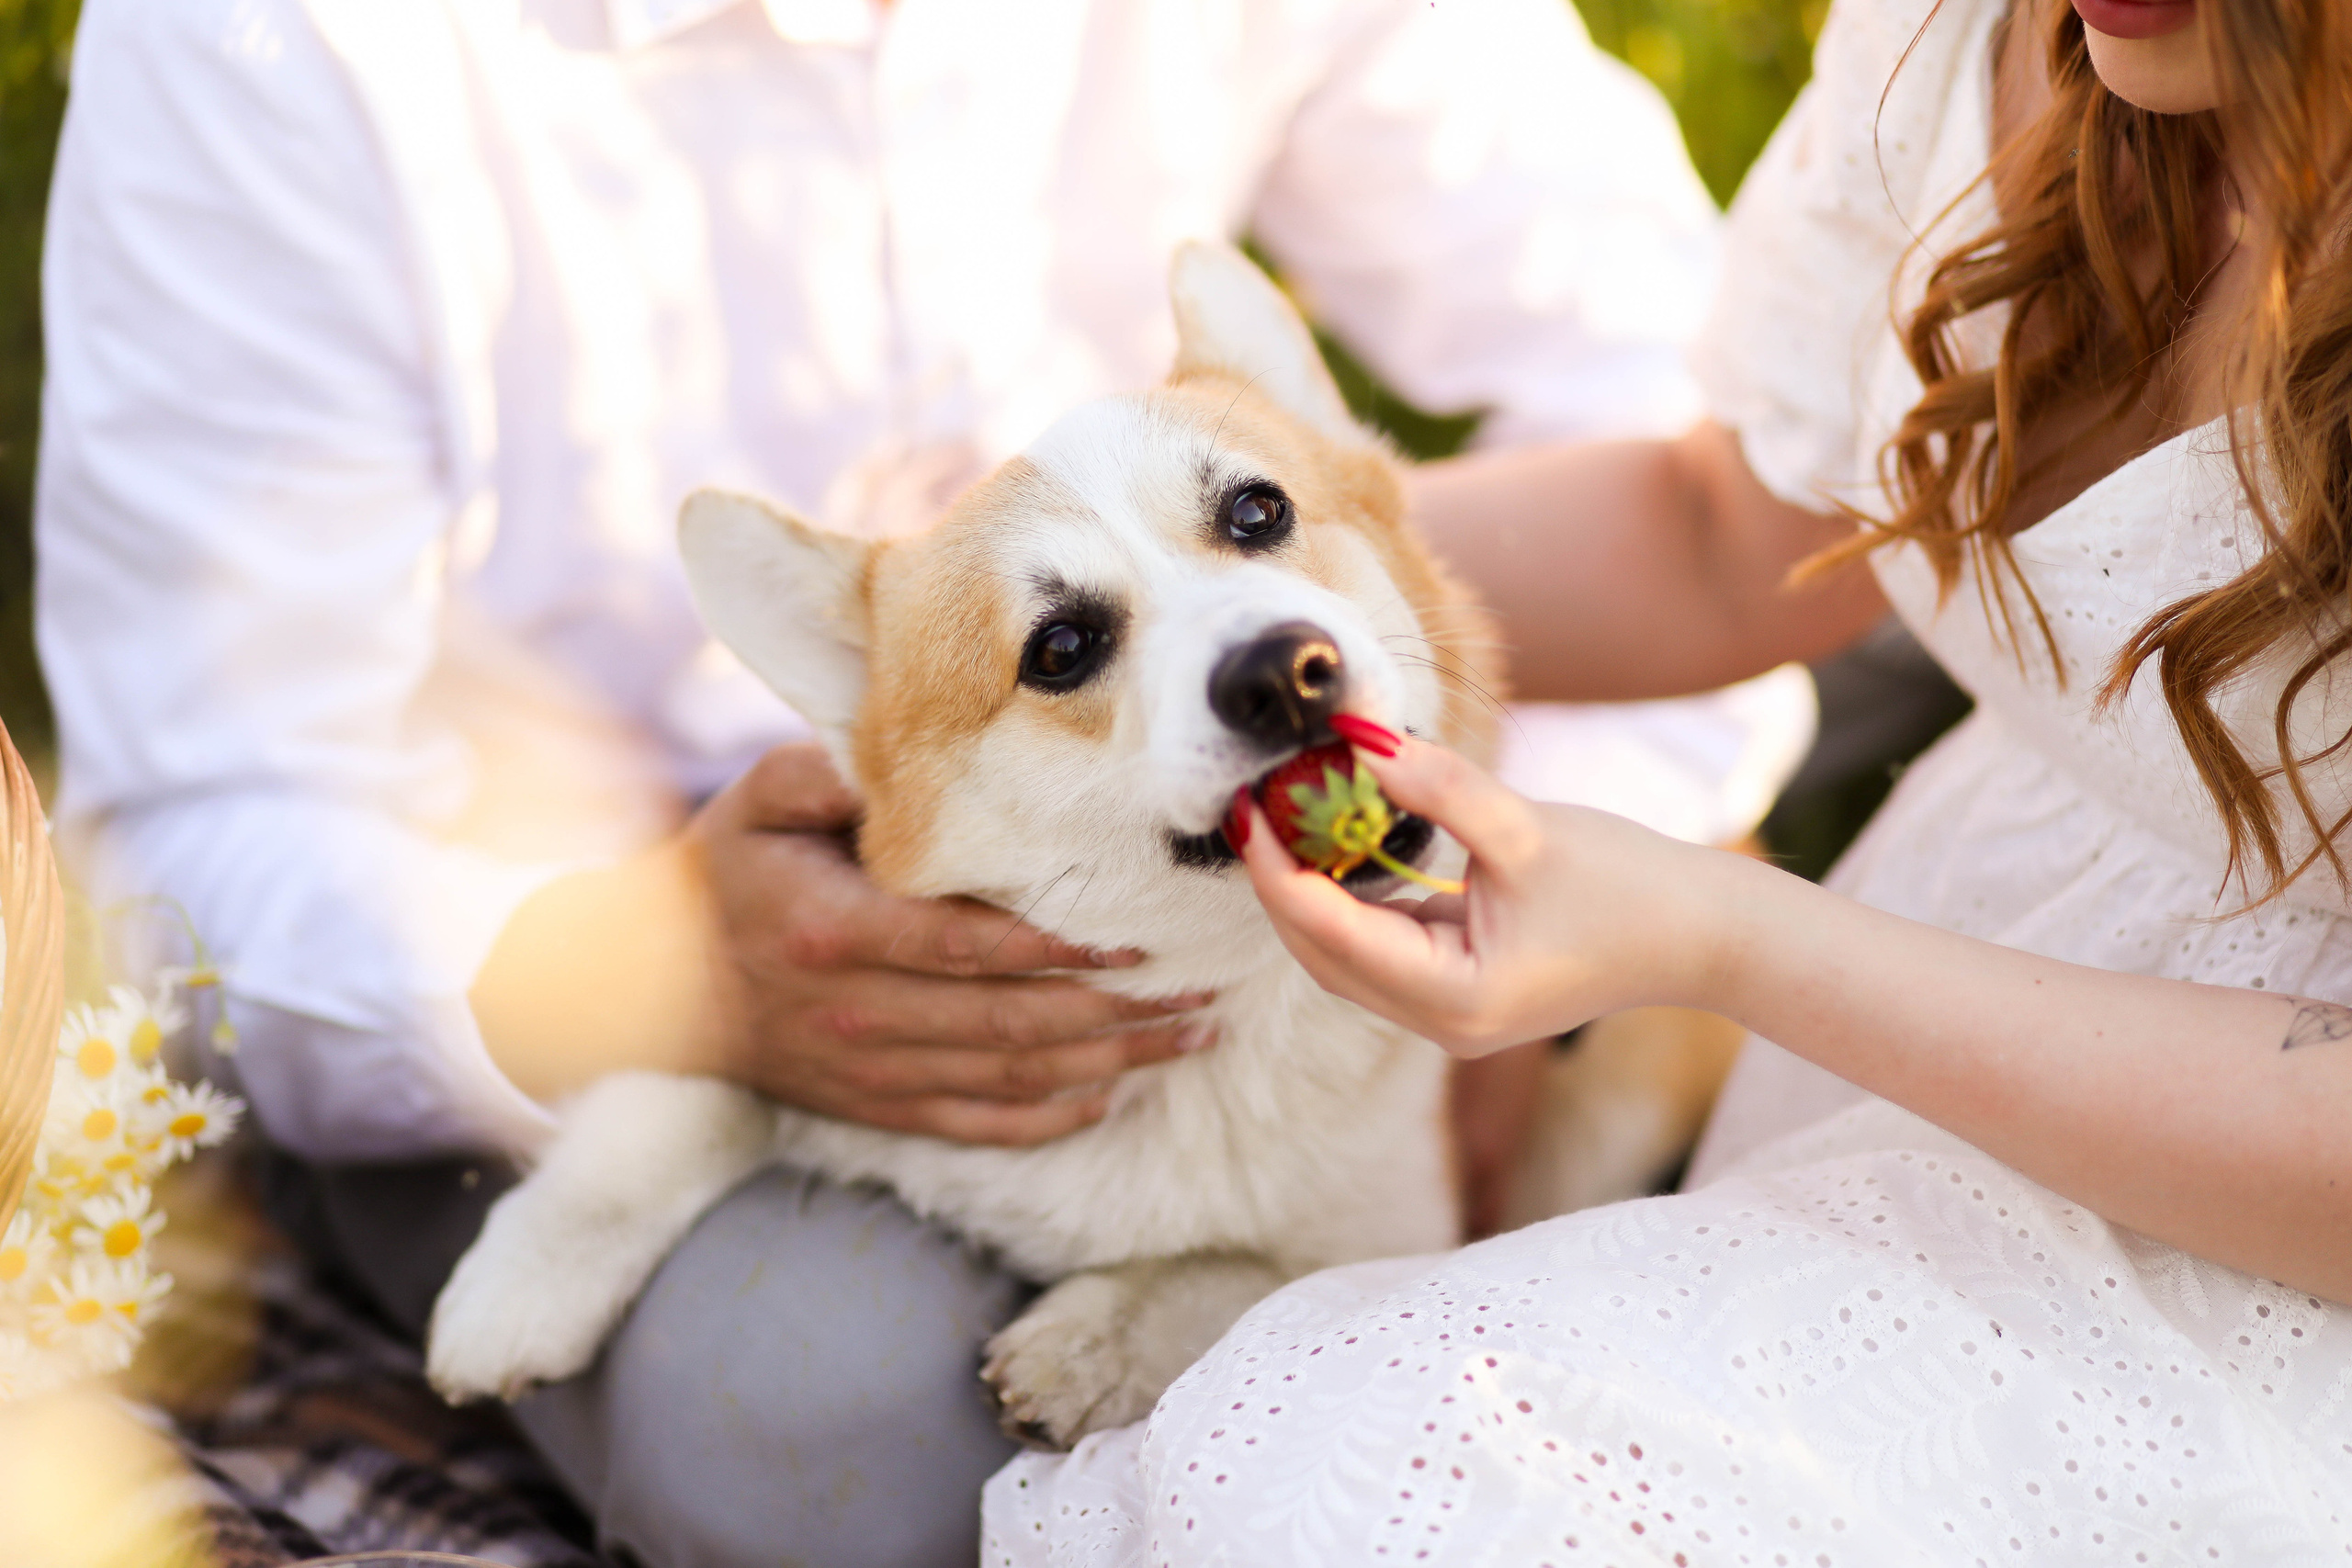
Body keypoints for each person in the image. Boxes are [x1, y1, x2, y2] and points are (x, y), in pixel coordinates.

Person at [31, 1, 1775, 1562]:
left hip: (1239, 898)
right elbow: (200, 826)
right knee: (827, 1428)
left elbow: (1714, 430)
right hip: (539, 946)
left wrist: (1527, 894)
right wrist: (619, 975)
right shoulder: (270, 44)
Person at [986, 0, 2352, 1557]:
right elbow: (1729, 536)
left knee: (1380, 1479)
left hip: (2275, 1223)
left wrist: (1716, 935)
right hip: (1975, 982)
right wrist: (1233, 588)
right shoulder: (1982, 38)